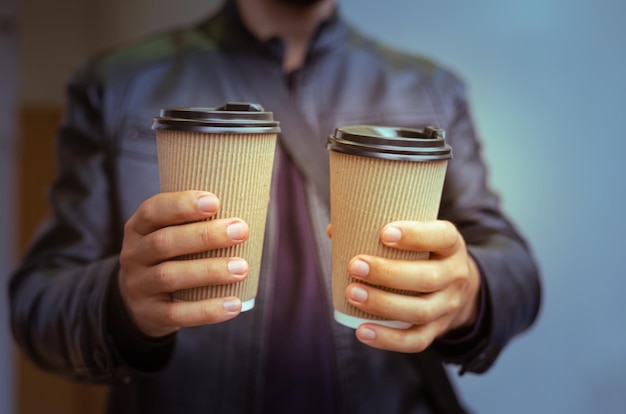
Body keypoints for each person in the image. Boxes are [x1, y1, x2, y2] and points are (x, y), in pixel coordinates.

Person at [9, 0, 541, 412]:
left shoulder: (430, 90)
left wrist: (470, 289)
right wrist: (119, 303)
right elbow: (36, 304)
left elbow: (515, 266)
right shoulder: (117, 84)